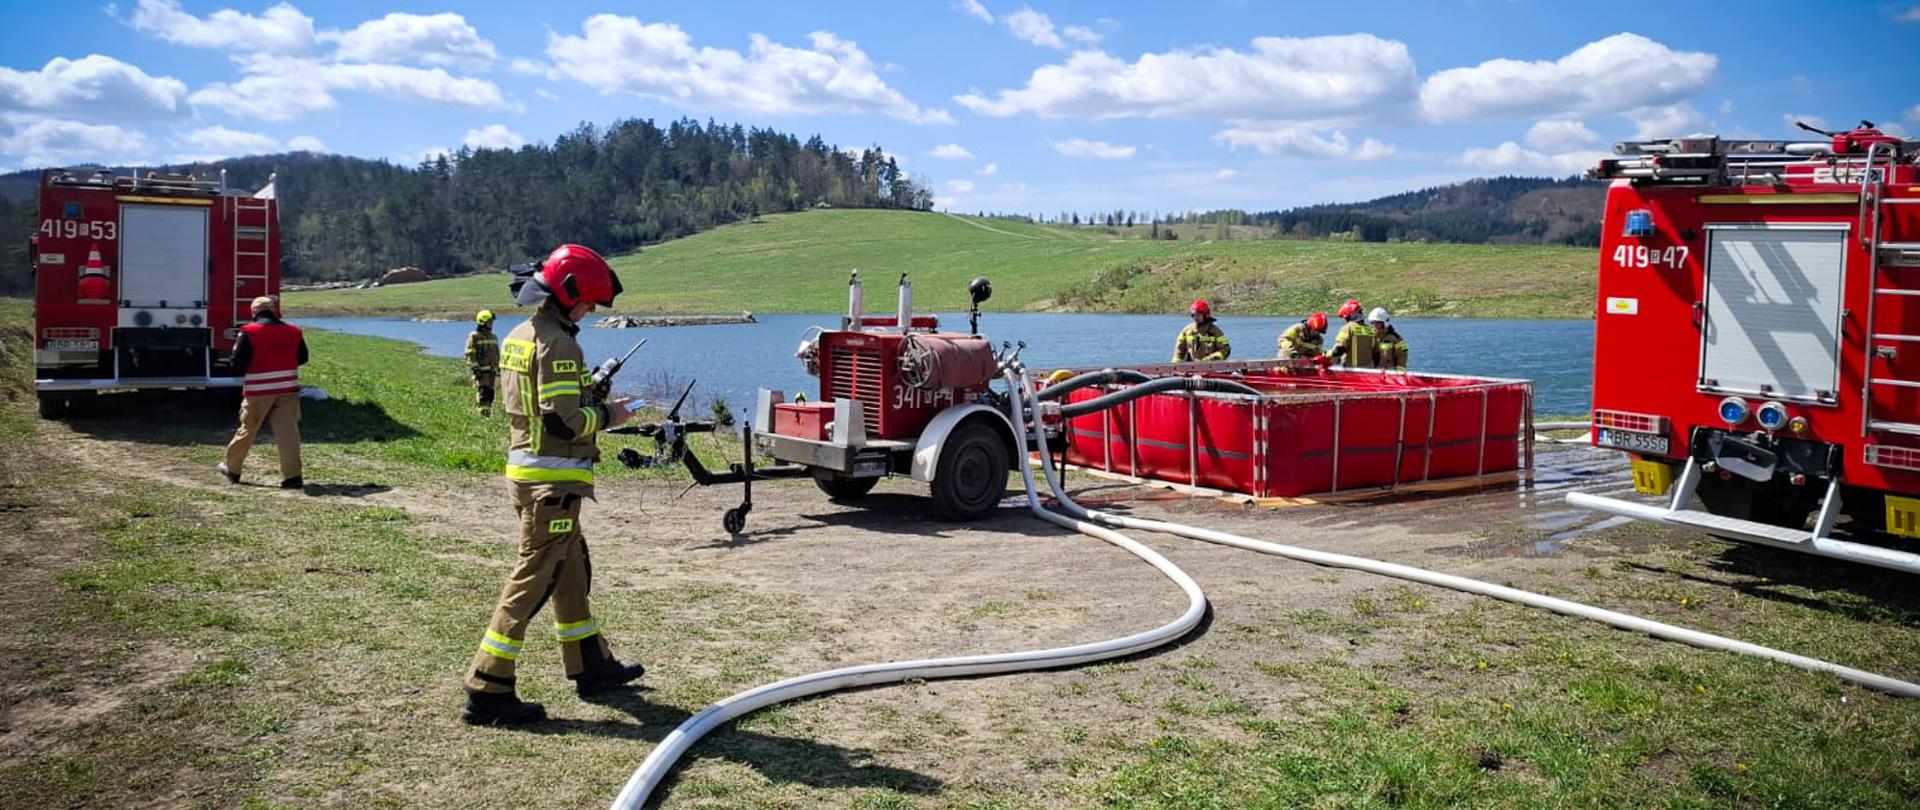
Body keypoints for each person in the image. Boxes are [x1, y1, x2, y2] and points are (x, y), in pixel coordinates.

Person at [463, 244, 646, 726]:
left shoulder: (522, 334)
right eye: (587, 302)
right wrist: (610, 414)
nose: (590, 310)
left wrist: (590, 394)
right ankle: (488, 685)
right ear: (566, 296)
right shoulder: (561, 344)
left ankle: (591, 664)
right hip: (553, 483)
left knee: (570, 571)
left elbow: (539, 405)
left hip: (530, 476)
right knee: (532, 579)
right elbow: (564, 423)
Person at [218, 295, 308, 489]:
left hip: (259, 390)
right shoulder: (294, 331)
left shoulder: (249, 332)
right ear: (274, 310)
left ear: (254, 312)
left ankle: (232, 468)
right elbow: (302, 358)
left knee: (248, 429)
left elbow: (237, 364)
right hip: (287, 389)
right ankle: (293, 477)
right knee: (288, 432)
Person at [466, 309, 500, 416]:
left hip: (492, 373)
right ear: (483, 322)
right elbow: (470, 354)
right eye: (490, 321)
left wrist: (498, 370)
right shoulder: (474, 336)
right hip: (481, 374)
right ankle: (482, 416)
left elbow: (497, 354)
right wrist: (476, 370)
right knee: (483, 394)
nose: (492, 324)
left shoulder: (494, 337)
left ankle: (487, 414)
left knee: (490, 395)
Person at [1328, 299, 1378, 369]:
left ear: (1350, 316)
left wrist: (1326, 355)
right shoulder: (1371, 330)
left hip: (1352, 370)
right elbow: (1376, 353)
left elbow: (1339, 350)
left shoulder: (1347, 328)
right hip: (1369, 371)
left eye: (1345, 317)